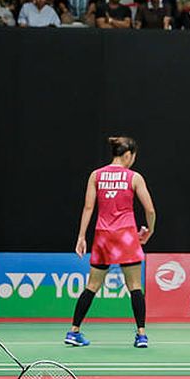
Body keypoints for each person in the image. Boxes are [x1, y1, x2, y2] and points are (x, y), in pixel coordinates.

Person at [67, 137, 156, 349]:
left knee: (92, 286)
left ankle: (73, 331)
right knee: (134, 286)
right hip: (126, 235)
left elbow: (88, 208)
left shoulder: (95, 175)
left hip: (103, 236)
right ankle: (141, 335)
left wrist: (81, 236)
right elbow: (150, 210)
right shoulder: (134, 177)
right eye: (133, 156)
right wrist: (149, 230)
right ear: (128, 155)